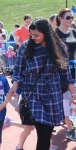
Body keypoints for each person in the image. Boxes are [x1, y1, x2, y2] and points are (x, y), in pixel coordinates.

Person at [9, 17, 76, 150]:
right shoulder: (26, 46)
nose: (33, 37)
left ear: (46, 33)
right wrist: (15, 84)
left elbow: (65, 74)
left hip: (53, 94)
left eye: (36, 35)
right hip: (33, 93)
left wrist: (73, 93)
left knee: (47, 134)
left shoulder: (59, 47)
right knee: (43, 132)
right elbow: (18, 69)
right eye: (31, 34)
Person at [55, 8, 76, 140]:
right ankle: (69, 129)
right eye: (68, 17)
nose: (70, 20)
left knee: (72, 100)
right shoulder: (55, 34)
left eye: (72, 17)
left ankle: (67, 120)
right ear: (61, 18)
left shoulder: (74, 32)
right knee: (67, 99)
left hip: (73, 70)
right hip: (61, 71)